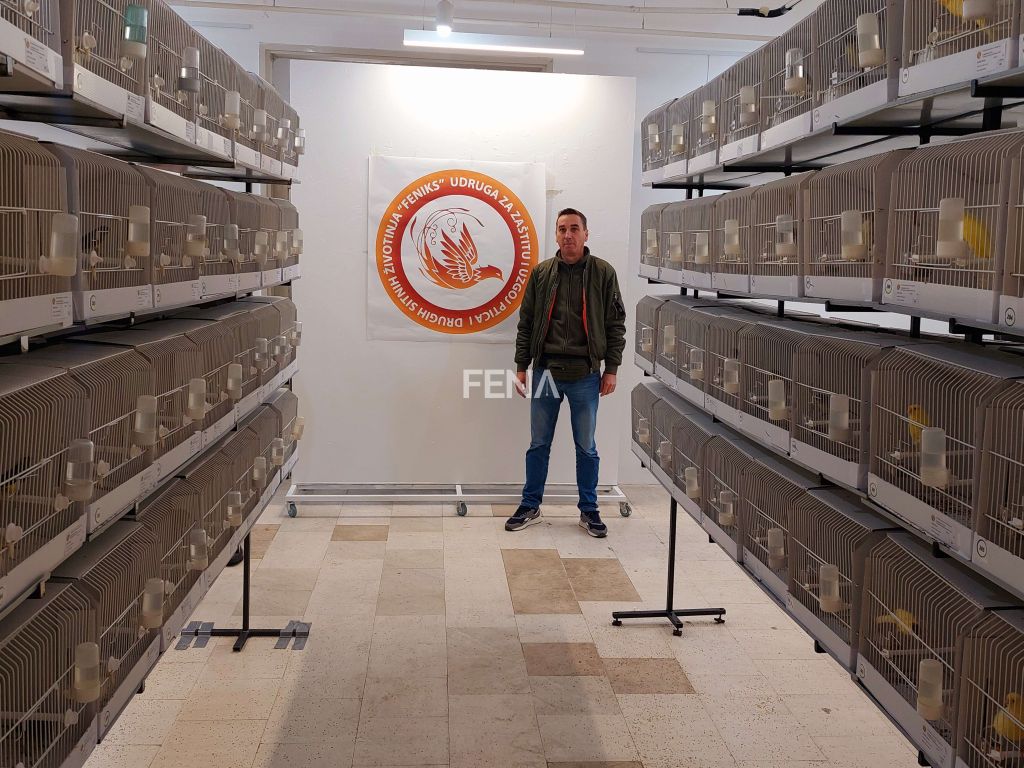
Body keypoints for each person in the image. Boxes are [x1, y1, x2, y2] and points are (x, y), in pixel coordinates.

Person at [505, 208, 626, 538]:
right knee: (538, 444)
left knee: (586, 447)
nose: (568, 235)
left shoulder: (603, 272)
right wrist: (521, 367)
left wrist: (612, 369)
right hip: (545, 371)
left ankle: (589, 510)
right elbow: (527, 323)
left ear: (586, 234)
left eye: (574, 228)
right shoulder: (542, 273)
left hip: (586, 374)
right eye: (562, 229)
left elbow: (615, 324)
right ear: (556, 235)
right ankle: (530, 505)